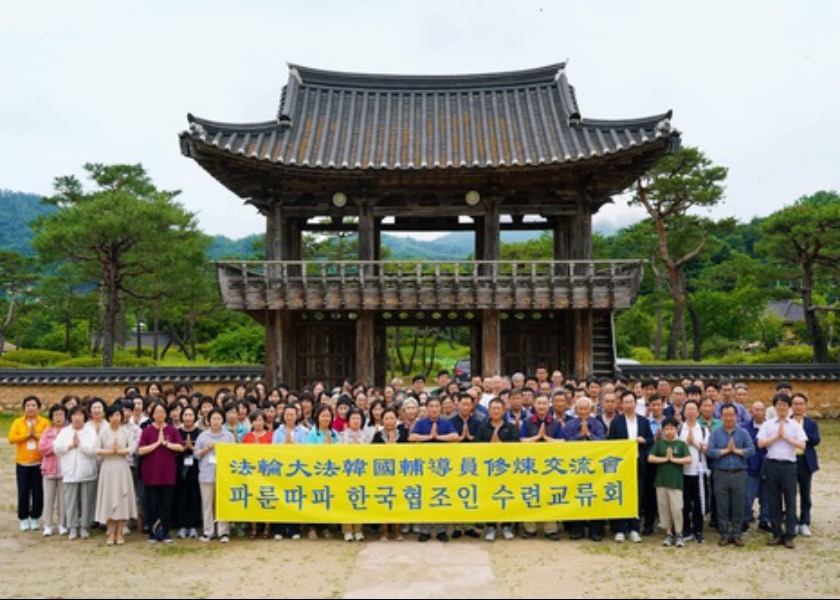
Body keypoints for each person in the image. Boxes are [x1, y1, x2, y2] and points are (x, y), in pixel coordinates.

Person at [758, 394, 807, 549]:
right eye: (779, 405)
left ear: (789, 407)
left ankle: (790, 534)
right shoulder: (768, 424)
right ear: (775, 407)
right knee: (774, 500)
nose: (782, 408)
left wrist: (785, 437)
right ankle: (777, 533)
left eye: (785, 405)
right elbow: (761, 444)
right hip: (772, 464)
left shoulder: (794, 425)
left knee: (790, 500)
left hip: (789, 466)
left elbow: (802, 445)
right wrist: (776, 437)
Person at [409, 396, 459, 542]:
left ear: (440, 408)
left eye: (437, 406)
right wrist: (429, 437)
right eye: (431, 406)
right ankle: (425, 529)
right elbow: (412, 437)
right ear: (427, 408)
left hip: (442, 468)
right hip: (424, 467)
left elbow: (455, 436)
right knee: (425, 497)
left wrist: (438, 437)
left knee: (441, 496)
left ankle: (441, 530)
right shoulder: (421, 423)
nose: (434, 409)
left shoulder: (445, 422)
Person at [705, 404, 755, 547]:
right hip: (721, 473)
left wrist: (737, 451)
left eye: (731, 415)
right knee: (722, 505)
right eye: (726, 415)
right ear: (721, 417)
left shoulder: (743, 433)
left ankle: (737, 534)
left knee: (739, 504)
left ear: (736, 416)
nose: (729, 418)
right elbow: (710, 452)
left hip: (739, 473)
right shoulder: (715, 433)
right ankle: (724, 534)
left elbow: (751, 450)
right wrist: (726, 451)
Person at [608, 390, 653, 543]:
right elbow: (611, 444)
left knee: (637, 496)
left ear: (635, 403)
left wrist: (643, 441)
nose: (628, 405)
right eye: (625, 402)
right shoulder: (616, 422)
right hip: (621, 466)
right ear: (621, 404)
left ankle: (634, 528)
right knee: (621, 495)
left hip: (638, 463)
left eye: (631, 402)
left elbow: (650, 440)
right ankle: (619, 529)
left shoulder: (643, 421)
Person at [138, 401, 184, 544]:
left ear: (166, 414)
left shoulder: (172, 430)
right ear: (153, 414)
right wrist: (157, 444)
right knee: (152, 504)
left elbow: (180, 447)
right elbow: (141, 450)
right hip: (151, 474)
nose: (160, 414)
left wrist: (166, 444)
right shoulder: (147, 430)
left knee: (166, 504)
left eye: (162, 412)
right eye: (157, 412)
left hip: (167, 474)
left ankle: (165, 532)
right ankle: (152, 533)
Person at [476, 397, 520, 541]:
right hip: (488, 471)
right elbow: (476, 448)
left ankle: (507, 526)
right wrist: (490, 446)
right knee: (490, 498)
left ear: (503, 410)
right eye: (492, 409)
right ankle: (491, 526)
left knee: (505, 497)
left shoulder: (511, 427)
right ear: (488, 411)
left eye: (498, 409)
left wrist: (501, 445)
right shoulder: (483, 428)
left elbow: (516, 447)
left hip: (506, 471)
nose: (495, 411)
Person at [95, 403, 137, 545]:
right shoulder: (103, 432)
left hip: (122, 467)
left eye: (118, 415)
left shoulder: (126, 432)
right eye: (112, 415)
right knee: (109, 498)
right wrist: (110, 452)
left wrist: (120, 452)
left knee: (121, 499)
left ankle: (120, 532)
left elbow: (132, 448)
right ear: (108, 417)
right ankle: (110, 531)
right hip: (108, 467)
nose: (115, 418)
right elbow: (96, 449)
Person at [54, 406, 98, 540]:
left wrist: (80, 445)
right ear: (70, 417)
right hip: (70, 472)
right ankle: (72, 526)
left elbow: (93, 450)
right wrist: (70, 445)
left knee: (86, 500)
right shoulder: (65, 432)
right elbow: (57, 448)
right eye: (74, 415)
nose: (77, 417)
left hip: (87, 471)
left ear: (84, 417)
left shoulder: (90, 431)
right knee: (71, 501)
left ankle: (84, 526)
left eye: (80, 415)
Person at [8, 395, 50, 532]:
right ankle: (24, 518)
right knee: (23, 491)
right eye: (28, 405)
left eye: (34, 405)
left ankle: (36, 517)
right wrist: (27, 435)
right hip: (23, 463)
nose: (31, 408)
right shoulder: (18, 422)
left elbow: (48, 438)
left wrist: (35, 435)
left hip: (39, 463)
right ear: (24, 408)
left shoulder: (44, 423)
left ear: (38, 408)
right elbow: (11, 438)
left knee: (38, 492)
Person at [647, 417, 692, 547]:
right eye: (666, 429)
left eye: (671, 428)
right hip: (661, 482)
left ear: (677, 429)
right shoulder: (660, 444)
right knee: (664, 508)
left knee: (677, 508)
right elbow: (650, 458)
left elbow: (688, 459)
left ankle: (679, 533)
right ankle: (668, 533)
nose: (669, 431)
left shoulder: (681, 444)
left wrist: (672, 459)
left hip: (676, 482)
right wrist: (665, 459)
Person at [790, 392, 819, 538]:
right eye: (795, 403)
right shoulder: (786, 421)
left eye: (801, 404)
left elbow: (816, 440)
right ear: (791, 405)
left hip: (805, 461)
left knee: (805, 493)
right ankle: (793, 522)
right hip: (790, 461)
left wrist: (801, 435)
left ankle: (805, 522)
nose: (798, 406)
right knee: (790, 493)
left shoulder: (811, 423)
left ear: (805, 406)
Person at [38, 404, 68, 537]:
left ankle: (62, 524)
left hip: (65, 470)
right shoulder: (47, 431)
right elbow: (42, 448)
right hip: (49, 469)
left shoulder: (68, 430)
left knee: (63, 500)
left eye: (61, 414)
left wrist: (57, 446)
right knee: (48, 499)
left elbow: (70, 446)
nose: (58, 417)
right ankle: (48, 525)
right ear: (52, 416)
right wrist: (56, 446)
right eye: (56, 414)